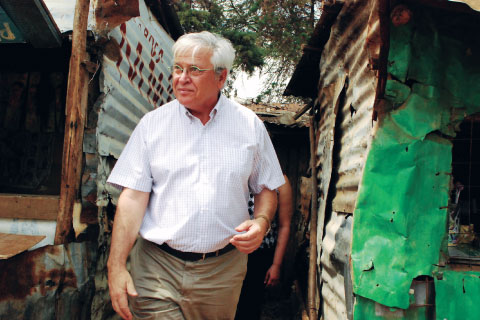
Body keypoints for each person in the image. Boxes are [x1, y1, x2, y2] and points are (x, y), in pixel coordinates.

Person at [106, 31, 285, 320]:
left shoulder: (249, 127)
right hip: (156, 266)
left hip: (221, 271)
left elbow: (266, 188)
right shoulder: (153, 125)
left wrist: (261, 222)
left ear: (221, 77)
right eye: (178, 68)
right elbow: (132, 198)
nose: (181, 78)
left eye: (194, 70)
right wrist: (116, 267)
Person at [235, 174, 293, 320]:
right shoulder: (236, 173)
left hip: (260, 254)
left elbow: (284, 225)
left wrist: (276, 265)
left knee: (250, 305)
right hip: (231, 250)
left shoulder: (280, 181)